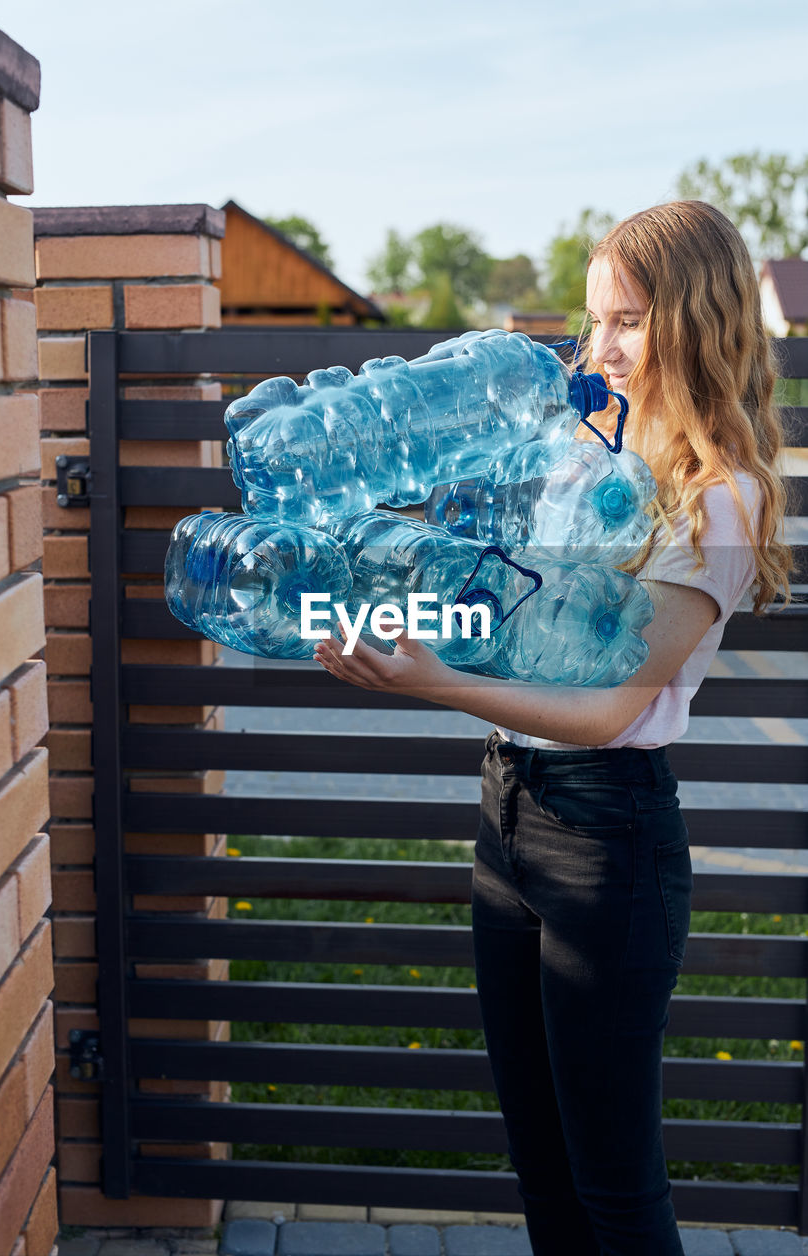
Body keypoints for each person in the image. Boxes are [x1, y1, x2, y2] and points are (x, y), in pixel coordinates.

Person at [313, 200, 791, 1256]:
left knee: (613, 1186)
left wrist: (433, 683)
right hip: (511, 811)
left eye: (625, 321)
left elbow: (613, 703)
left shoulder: (719, 499)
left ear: (698, 319)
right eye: (591, 321)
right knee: (541, 1165)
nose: (597, 347)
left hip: (604, 844)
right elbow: (507, 608)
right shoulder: (587, 450)